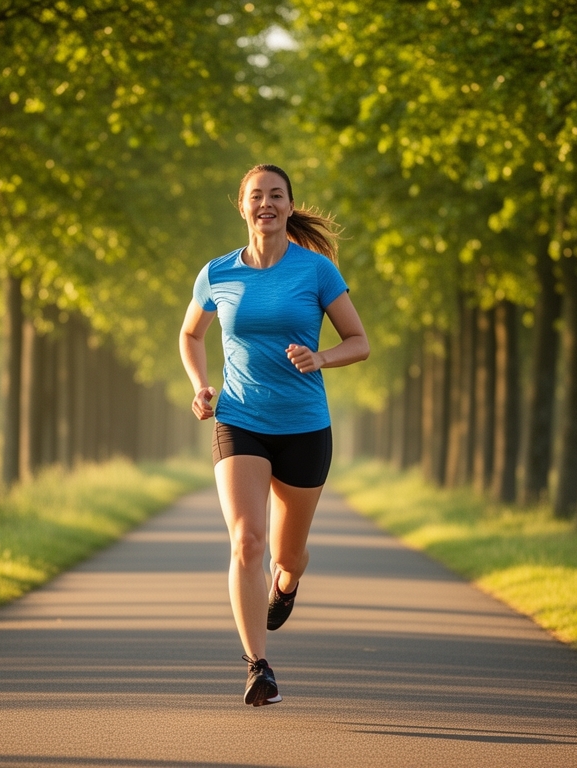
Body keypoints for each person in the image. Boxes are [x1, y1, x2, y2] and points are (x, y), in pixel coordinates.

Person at [178, 163, 369, 707]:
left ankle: (285, 586)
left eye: (276, 195)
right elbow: (191, 333)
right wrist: (200, 384)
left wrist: (321, 357)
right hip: (239, 420)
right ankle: (257, 666)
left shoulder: (317, 272)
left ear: (289, 206)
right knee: (247, 541)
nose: (266, 203)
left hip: (305, 427)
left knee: (287, 555)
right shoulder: (217, 273)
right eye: (256, 195)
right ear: (242, 207)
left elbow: (359, 340)